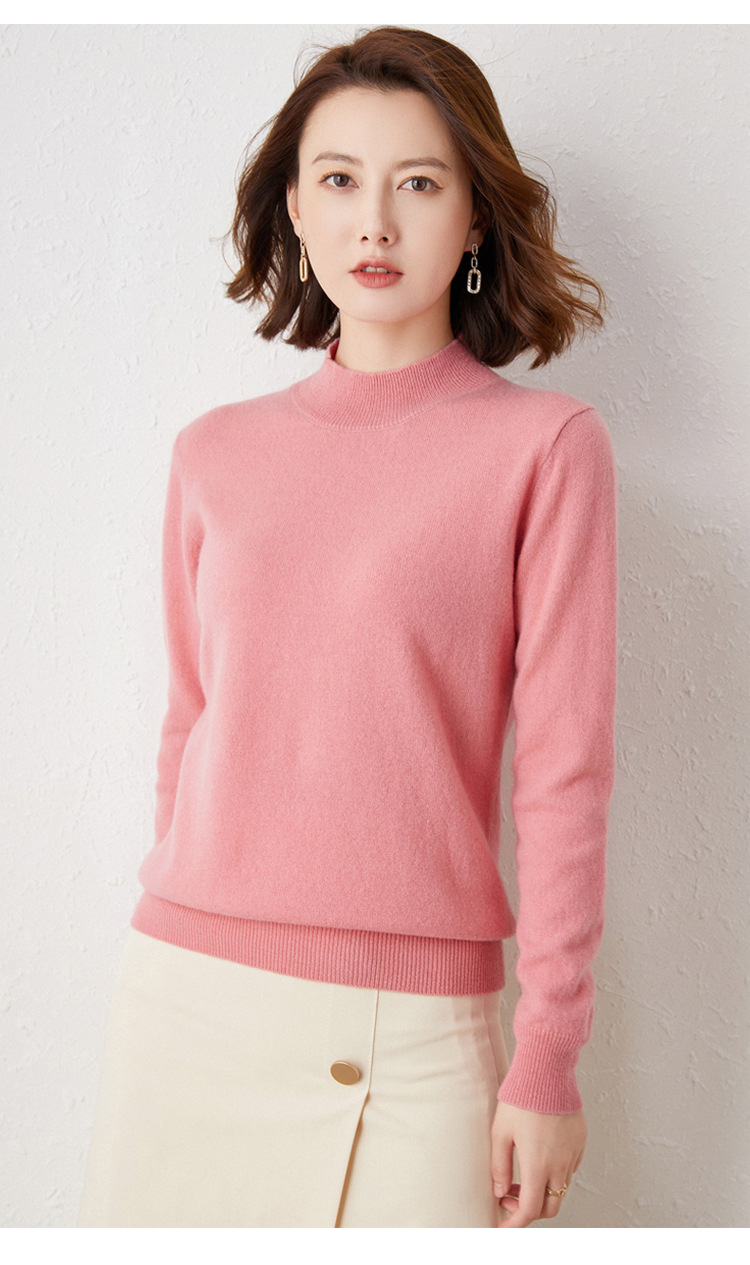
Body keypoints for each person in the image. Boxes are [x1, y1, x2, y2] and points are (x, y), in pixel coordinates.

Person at [77, 26, 617, 1229]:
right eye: (338, 179)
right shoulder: (214, 454)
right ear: (295, 207)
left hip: (414, 1037)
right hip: (186, 998)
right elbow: (191, 722)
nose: (374, 222)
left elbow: (567, 772)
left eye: (417, 183)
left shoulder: (545, 450)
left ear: (473, 219)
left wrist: (548, 1054)